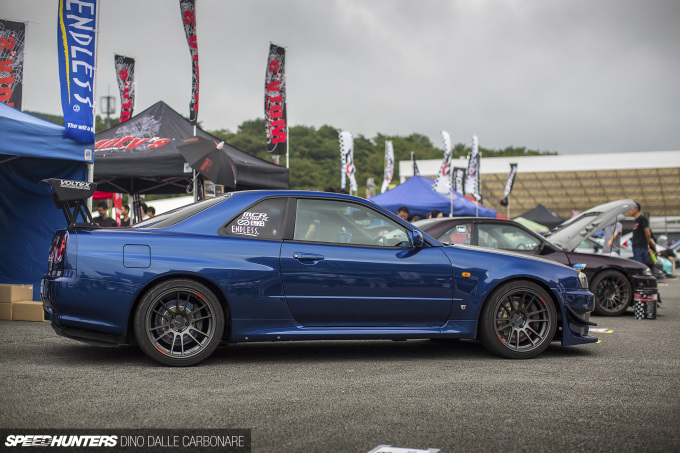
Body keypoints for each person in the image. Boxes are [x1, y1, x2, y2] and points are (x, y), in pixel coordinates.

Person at [629, 202, 655, 267]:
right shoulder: (636, 221)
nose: (629, 211)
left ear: (636, 209)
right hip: (636, 248)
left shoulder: (642, 219)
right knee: (638, 266)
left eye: (630, 209)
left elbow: (647, 233)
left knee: (640, 267)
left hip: (641, 248)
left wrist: (647, 244)